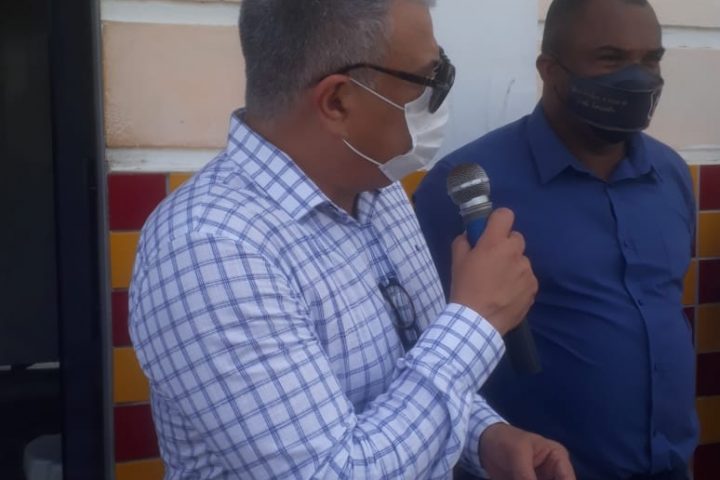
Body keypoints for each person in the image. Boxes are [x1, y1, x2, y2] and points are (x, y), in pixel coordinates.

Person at [129, 0, 576, 479]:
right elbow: (333, 470)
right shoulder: (210, 252)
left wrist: (484, 438)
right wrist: (477, 320)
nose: (439, 95)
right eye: (428, 79)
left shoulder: (376, 185)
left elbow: (414, 376)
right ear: (337, 101)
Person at [414, 0, 698, 479]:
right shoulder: (468, 190)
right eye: (611, 58)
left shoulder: (670, 175)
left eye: (651, 60)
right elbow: (423, 342)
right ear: (550, 70)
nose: (637, 78)